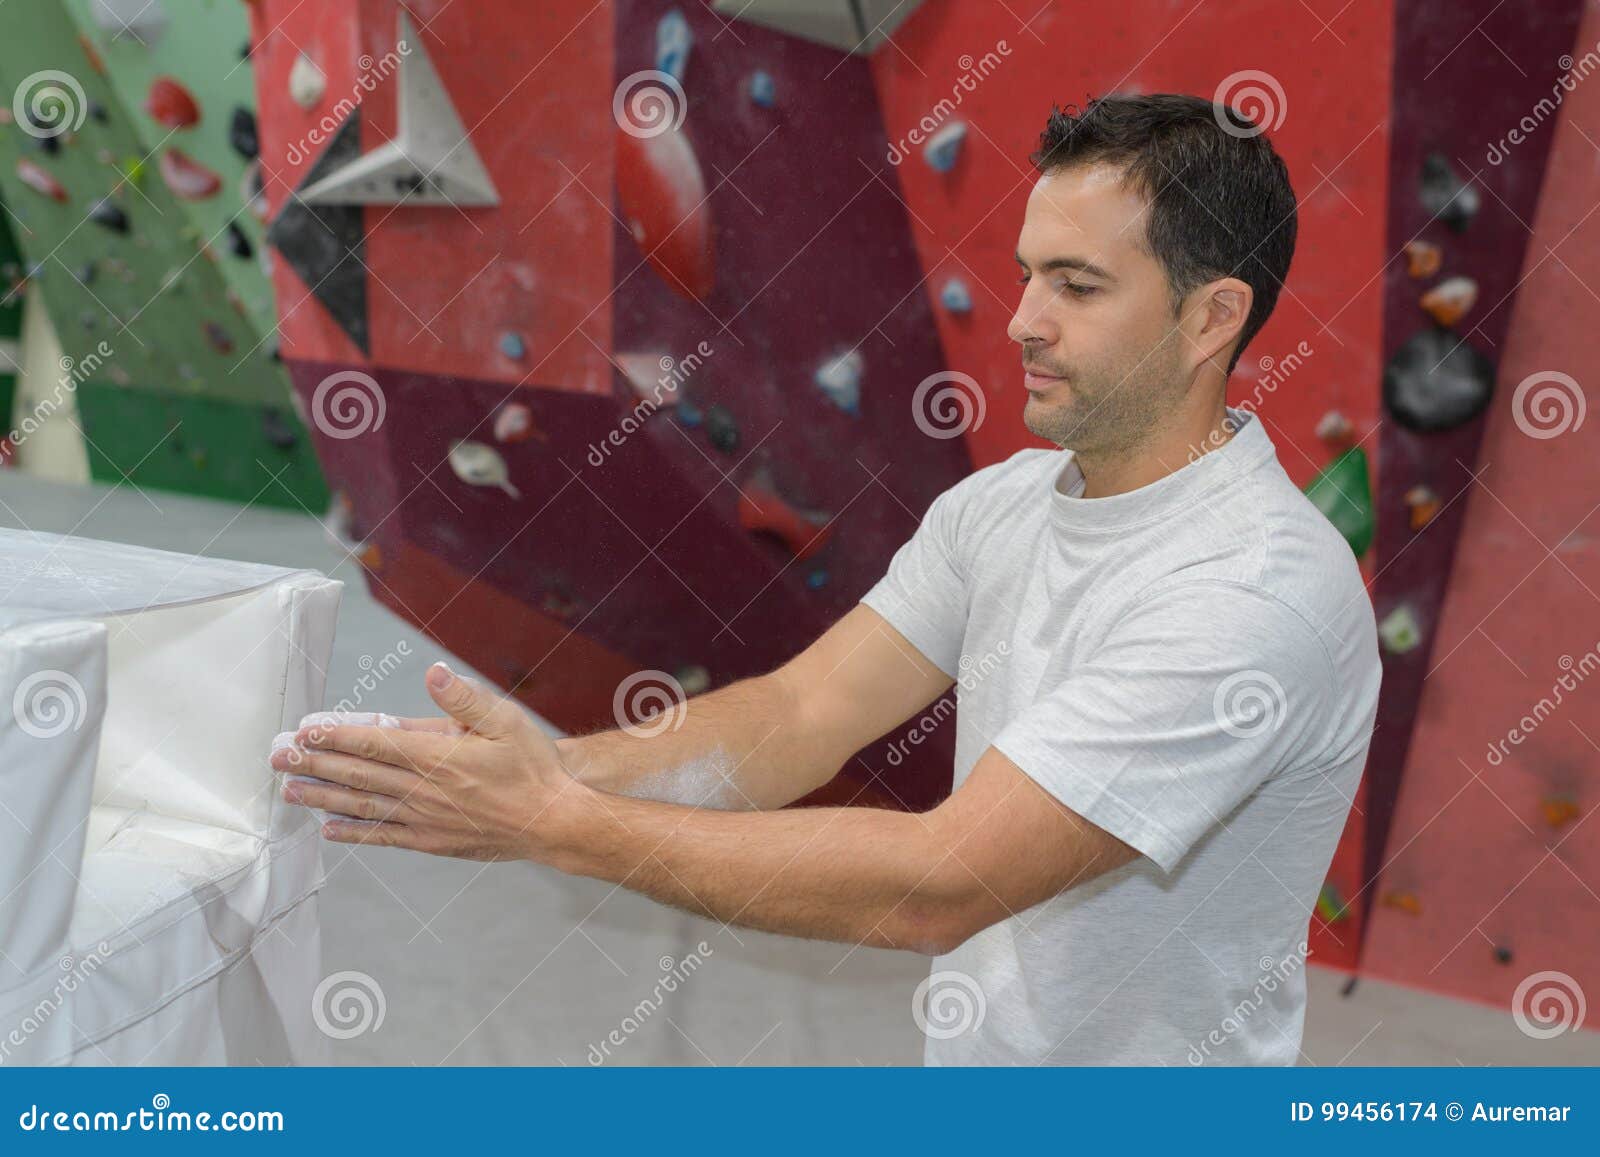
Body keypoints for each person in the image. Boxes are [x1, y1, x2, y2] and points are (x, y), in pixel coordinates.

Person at [270, 93, 1381, 1066]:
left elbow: (942, 881)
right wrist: (554, 770)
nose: (1023, 321)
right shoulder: (1001, 507)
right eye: (1027, 275)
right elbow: (799, 713)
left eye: (1078, 286)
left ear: (1211, 317)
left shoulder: (1251, 593)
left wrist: (556, 822)